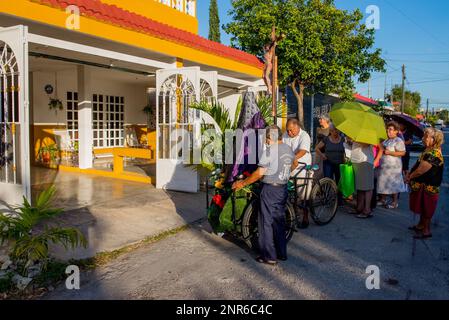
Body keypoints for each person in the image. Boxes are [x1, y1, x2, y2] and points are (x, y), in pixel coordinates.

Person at [232, 125, 294, 264]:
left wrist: (241, 183)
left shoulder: (270, 151)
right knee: (279, 221)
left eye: (266, 138)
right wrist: (284, 175)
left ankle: (269, 256)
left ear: (270, 137)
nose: (265, 141)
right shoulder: (288, 149)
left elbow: (258, 174)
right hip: (282, 188)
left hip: (270, 189)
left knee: (265, 223)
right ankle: (281, 253)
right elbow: (294, 163)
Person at [405, 128, 444, 239]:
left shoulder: (434, 153)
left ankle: (426, 231)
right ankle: (420, 225)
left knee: (427, 209)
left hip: (429, 187)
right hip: (422, 185)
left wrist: (409, 177)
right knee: (422, 207)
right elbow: (418, 164)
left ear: (434, 139)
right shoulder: (428, 150)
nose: (423, 138)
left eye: (426, 136)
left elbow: (421, 169)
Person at [282, 118, 312, 228]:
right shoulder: (285, 134)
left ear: (297, 127)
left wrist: (292, 158)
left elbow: (303, 151)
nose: (289, 133)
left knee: (303, 193)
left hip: (302, 165)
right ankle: (291, 213)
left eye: (291, 130)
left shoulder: (304, 136)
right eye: (288, 130)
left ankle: (305, 217)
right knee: (287, 189)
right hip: (289, 165)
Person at [377, 121, 406, 209]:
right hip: (385, 166)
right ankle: (383, 200)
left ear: (396, 131)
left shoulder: (398, 140)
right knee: (384, 182)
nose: (388, 131)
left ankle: (394, 202)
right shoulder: (387, 139)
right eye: (387, 129)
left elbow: (403, 153)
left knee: (394, 184)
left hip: (394, 167)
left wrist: (389, 152)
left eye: (390, 130)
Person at [349, 138, 382, 218]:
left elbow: (367, 144)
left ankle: (367, 210)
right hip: (357, 161)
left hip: (365, 161)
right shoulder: (359, 132)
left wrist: (355, 140)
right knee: (360, 187)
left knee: (367, 187)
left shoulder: (369, 132)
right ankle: (359, 207)